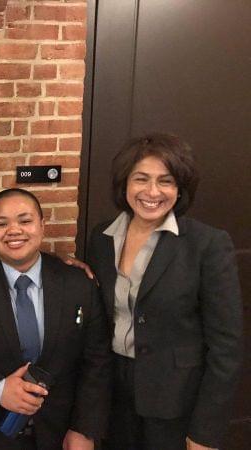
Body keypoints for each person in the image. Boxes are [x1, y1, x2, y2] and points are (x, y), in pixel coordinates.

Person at [86, 133, 243, 450]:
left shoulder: (207, 245)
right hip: (112, 395)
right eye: (141, 179)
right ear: (124, 184)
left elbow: (226, 347)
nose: (152, 192)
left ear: (180, 189)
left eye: (166, 181)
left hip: (176, 401)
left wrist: (205, 431)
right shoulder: (101, 237)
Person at [0, 188, 112, 450]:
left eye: (25, 220)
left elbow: (97, 361)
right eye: (1, 224)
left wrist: (84, 429)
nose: (14, 230)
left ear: (42, 225)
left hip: (62, 434)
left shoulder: (78, 284)